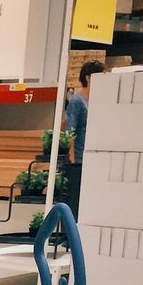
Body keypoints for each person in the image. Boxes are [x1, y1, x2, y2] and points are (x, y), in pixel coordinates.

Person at [63, 60, 103, 220]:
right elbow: (70, 130)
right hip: (80, 155)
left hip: (94, 152)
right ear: (88, 78)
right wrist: (72, 156)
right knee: (76, 195)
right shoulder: (77, 101)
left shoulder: (99, 99)